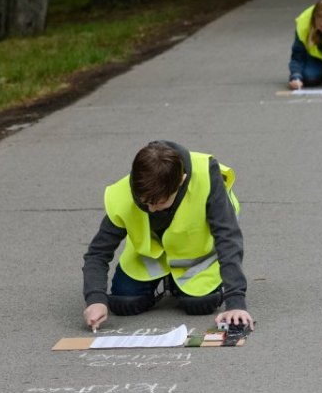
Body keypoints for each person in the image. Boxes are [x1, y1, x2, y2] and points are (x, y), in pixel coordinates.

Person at [82, 141, 251, 332]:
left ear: (181, 181)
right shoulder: (125, 194)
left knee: (201, 304)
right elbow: (97, 253)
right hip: (150, 259)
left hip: (196, 259)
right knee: (123, 304)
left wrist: (236, 302)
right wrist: (95, 300)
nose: (151, 209)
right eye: (145, 203)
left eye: (160, 202)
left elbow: (227, 238)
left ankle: (181, 287)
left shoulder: (207, 175)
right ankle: (164, 283)